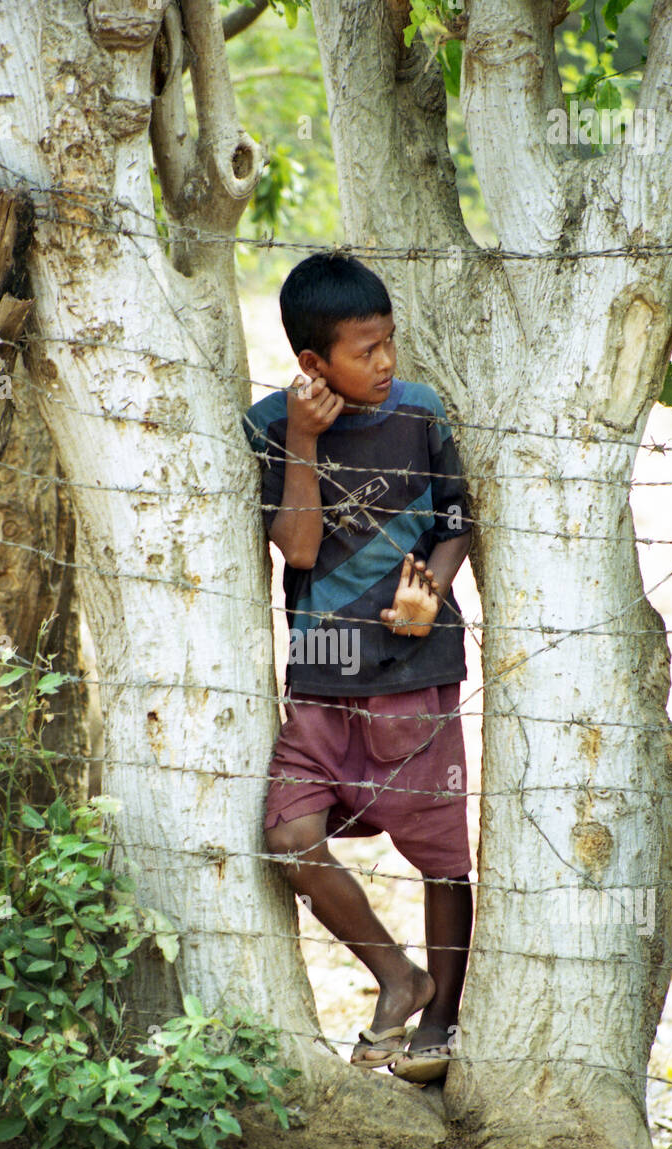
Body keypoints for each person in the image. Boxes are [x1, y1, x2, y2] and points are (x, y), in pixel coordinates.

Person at [243, 252, 474, 1084]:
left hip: (412, 673)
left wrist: (434, 590)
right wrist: (305, 437)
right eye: (365, 350)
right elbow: (298, 546)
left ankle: (439, 1022)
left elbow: (455, 516)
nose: (385, 363)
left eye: (389, 344)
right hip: (320, 678)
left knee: (442, 854)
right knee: (290, 837)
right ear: (313, 363)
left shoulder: (419, 413)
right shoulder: (274, 425)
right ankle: (398, 977)